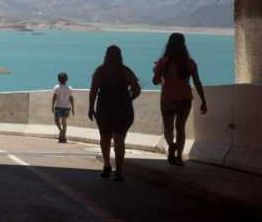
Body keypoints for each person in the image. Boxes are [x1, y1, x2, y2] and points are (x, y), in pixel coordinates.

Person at [153, 32, 208, 166]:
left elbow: (155, 81)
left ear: (169, 44)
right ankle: (179, 157)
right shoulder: (190, 63)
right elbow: (197, 82)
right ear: (184, 45)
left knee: (168, 127)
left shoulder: (163, 62)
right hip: (185, 98)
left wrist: (157, 72)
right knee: (180, 128)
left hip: (168, 98)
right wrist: (203, 100)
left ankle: (171, 144)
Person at [88, 45, 141, 182]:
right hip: (123, 109)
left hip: (104, 108)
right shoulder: (125, 70)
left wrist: (91, 108)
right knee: (119, 140)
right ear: (120, 56)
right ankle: (119, 171)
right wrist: (129, 98)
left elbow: (93, 91)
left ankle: (106, 165)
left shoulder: (100, 71)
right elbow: (137, 89)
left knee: (105, 138)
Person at [52, 72, 75, 143]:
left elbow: (54, 97)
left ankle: (62, 133)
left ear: (58, 79)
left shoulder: (56, 87)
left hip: (58, 106)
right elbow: (71, 98)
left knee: (57, 121)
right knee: (64, 122)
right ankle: (63, 135)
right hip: (67, 107)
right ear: (66, 79)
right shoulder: (69, 88)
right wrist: (73, 108)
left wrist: (52, 106)